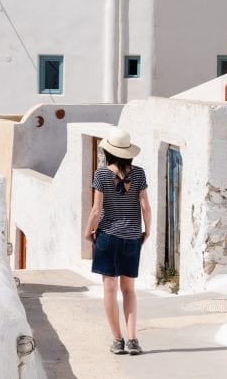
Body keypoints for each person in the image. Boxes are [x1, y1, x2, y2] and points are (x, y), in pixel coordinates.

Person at [85, 128, 151, 356]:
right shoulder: (139, 174)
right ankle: (133, 340)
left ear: (109, 152)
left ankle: (117, 340)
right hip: (132, 237)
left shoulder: (101, 174)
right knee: (129, 290)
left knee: (110, 290)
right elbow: (145, 206)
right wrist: (147, 230)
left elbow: (96, 210)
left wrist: (88, 231)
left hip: (108, 236)